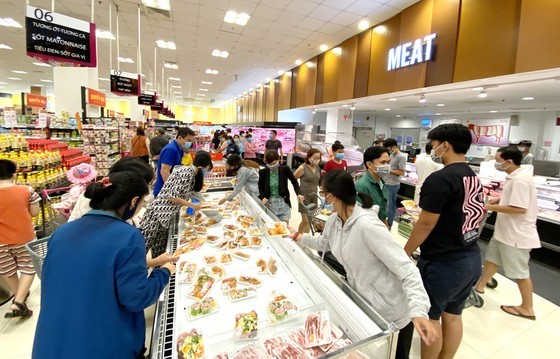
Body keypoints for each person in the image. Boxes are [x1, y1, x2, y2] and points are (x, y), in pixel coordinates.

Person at [290, 170, 436, 359]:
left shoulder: (368, 226)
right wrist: (298, 236)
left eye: (323, 193)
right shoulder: (335, 221)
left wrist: (419, 310)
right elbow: (323, 244)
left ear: (333, 195)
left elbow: (407, 270)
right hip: (367, 304)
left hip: (393, 312)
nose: (322, 198)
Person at [32, 171, 175, 359]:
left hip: (53, 342)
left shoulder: (61, 233)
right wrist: (164, 272)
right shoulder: (128, 236)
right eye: (141, 203)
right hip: (104, 344)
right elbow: (137, 298)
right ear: (133, 202)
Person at [404, 124, 485, 359]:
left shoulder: (440, 179)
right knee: (454, 315)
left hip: (443, 263)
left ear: (445, 145)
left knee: (430, 317)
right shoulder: (473, 177)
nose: (432, 149)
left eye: (433, 144)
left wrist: (406, 251)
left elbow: (426, 223)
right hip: (470, 258)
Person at [474, 146, 540, 320]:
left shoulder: (521, 180)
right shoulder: (514, 177)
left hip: (516, 235)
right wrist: (499, 199)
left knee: (520, 272)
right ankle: (480, 285)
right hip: (503, 232)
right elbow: (514, 200)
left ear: (509, 161)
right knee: (492, 259)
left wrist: (489, 206)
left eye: (497, 160)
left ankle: (527, 308)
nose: (496, 163)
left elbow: (519, 208)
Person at [143, 151, 213, 258]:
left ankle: (159, 271)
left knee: (160, 254)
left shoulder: (193, 174)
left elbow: (195, 193)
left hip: (166, 218)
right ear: (206, 165)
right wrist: (191, 205)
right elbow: (171, 196)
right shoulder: (186, 172)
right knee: (141, 251)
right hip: (156, 214)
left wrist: (209, 205)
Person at [0, 159, 41, 318]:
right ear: (14, 174)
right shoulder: (27, 190)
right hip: (23, 236)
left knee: (6, 270)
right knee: (28, 267)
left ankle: (19, 300)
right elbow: (35, 212)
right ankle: (18, 302)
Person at [259, 150, 303, 224]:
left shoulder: (285, 169)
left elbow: (294, 181)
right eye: (270, 164)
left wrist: (298, 193)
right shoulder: (263, 172)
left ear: (279, 160)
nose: (272, 165)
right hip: (270, 204)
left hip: (284, 204)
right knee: (272, 228)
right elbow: (260, 186)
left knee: (285, 229)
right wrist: (262, 197)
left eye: (274, 163)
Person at [154, 127, 195, 197]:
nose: (190, 143)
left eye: (191, 141)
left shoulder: (179, 149)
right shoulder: (171, 149)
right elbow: (164, 171)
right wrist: (173, 190)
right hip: (164, 191)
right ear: (179, 138)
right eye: (188, 140)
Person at [355, 146, 390, 226]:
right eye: (383, 162)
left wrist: (386, 227)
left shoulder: (381, 183)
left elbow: (382, 211)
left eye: (388, 162)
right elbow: (359, 218)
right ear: (369, 164)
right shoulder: (362, 186)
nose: (387, 165)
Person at [294, 148, 322, 233]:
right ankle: (298, 236)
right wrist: (298, 193)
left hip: (314, 196)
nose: (317, 160)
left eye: (318, 158)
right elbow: (293, 179)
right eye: (315, 158)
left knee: (310, 220)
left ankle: (305, 239)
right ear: (309, 157)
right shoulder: (303, 167)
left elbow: (318, 181)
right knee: (305, 221)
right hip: (304, 196)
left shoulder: (317, 168)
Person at [383, 138, 406, 228]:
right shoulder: (392, 154)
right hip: (386, 182)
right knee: (385, 204)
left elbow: (402, 172)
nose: (388, 150)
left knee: (391, 206)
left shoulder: (401, 157)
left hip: (393, 184)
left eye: (389, 148)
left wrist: (389, 170)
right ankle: (385, 222)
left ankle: (389, 224)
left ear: (394, 147)